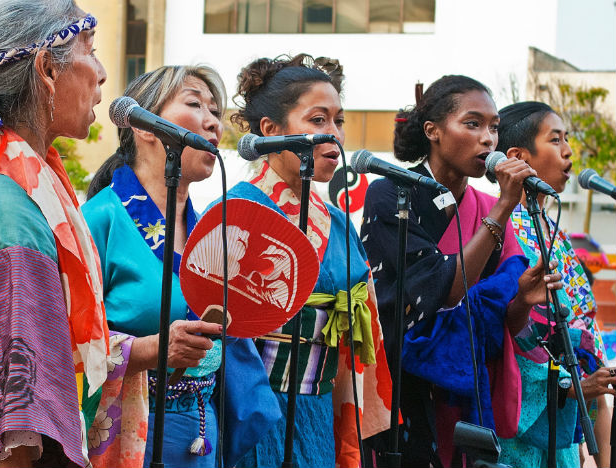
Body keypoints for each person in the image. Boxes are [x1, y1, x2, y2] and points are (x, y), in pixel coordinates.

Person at [0, 2, 211, 467]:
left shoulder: (7, 180)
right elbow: (7, 425)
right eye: (90, 52)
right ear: (46, 69)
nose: (102, 73)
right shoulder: (5, 214)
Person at [360, 75, 565, 467]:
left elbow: (507, 322)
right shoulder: (391, 194)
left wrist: (523, 297)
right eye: (473, 124)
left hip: (465, 394)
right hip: (401, 389)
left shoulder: (487, 203)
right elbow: (443, 291)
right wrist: (503, 209)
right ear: (433, 131)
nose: (488, 139)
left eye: (493, 127)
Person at [82, 65, 278, 468]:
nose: (212, 122)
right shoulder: (98, 219)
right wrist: (153, 349)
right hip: (123, 431)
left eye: (216, 111)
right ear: (145, 126)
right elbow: (62, 340)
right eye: (195, 104)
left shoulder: (212, 232)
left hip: (203, 432)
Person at [222, 53, 394, 468]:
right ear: (270, 131)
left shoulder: (338, 222)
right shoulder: (236, 212)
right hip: (251, 405)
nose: (334, 134)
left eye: (339, 121)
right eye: (318, 120)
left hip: (319, 404)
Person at [495, 101, 615, 468]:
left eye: (568, 140)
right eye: (555, 139)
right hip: (526, 423)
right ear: (518, 156)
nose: (568, 151)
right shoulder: (503, 226)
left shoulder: (552, 228)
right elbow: (511, 328)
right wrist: (570, 384)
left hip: (567, 416)